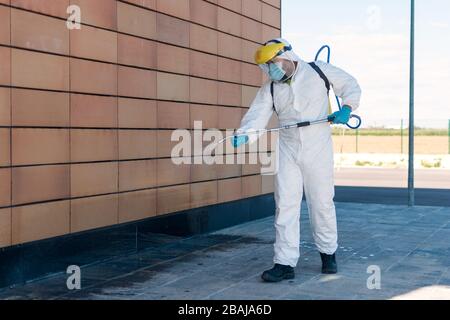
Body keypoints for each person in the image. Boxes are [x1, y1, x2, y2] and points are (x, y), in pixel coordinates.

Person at [232, 38, 362, 282]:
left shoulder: (318, 71)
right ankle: (284, 263)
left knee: (321, 202)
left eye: (273, 63)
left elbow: (350, 85)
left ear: (287, 56)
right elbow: (256, 116)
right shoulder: (271, 88)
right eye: (267, 66)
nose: (271, 69)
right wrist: (244, 135)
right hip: (287, 149)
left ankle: (328, 254)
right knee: (286, 205)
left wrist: (347, 108)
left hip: (318, 147)